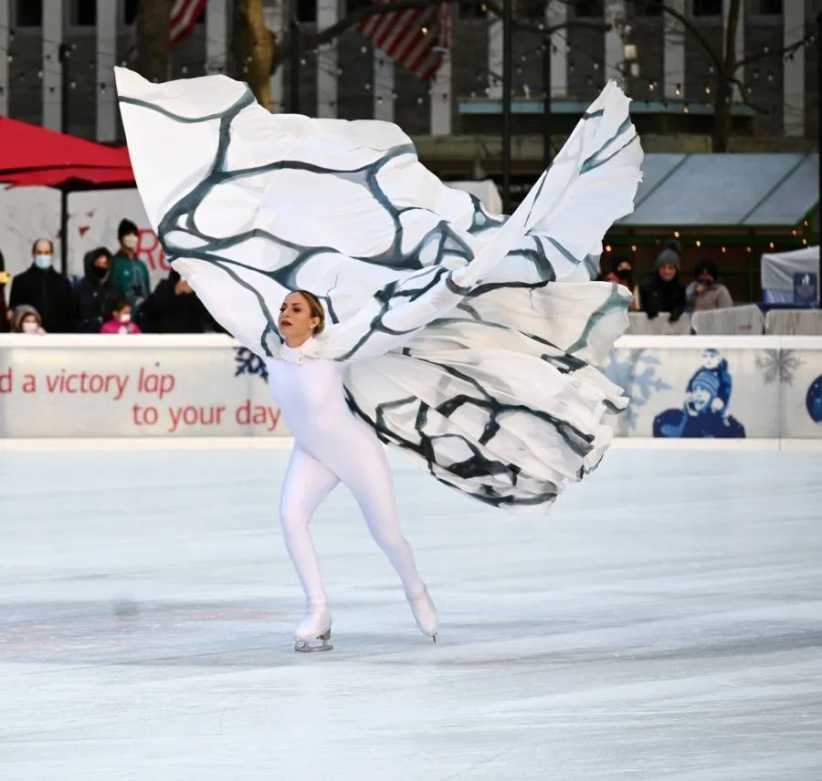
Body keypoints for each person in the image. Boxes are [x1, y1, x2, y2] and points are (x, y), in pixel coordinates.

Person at [116, 67, 643, 650]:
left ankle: (416, 592)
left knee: (387, 533)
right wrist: (187, 243)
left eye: (295, 308)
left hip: (352, 447)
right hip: (313, 452)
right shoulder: (266, 342)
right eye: (284, 307)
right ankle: (318, 611)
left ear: (316, 319)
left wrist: (458, 279)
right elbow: (222, 284)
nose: (284, 313)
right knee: (291, 518)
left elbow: (409, 311)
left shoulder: (341, 345)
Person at [8, 238, 75, 332]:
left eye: (46, 252)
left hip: (58, 338)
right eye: (39, 252)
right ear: (33, 254)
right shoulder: (20, 281)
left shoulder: (63, 282)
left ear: (52, 254)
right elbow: (15, 312)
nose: (43, 256)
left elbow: (70, 315)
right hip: (28, 338)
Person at [140, 268, 224, 333]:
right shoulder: (165, 286)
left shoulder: (201, 290)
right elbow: (148, 310)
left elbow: (211, 317)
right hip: (168, 343)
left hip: (194, 344)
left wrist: (194, 293)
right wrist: (175, 291)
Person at [110, 218, 151, 319]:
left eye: (134, 235)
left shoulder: (141, 265)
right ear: (121, 238)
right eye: (128, 234)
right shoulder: (114, 263)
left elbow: (146, 291)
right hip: (123, 318)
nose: (132, 238)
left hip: (143, 318)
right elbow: (112, 292)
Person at [640, 242, 686, 322]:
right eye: (663, 267)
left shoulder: (680, 288)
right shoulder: (647, 286)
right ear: (658, 269)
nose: (667, 271)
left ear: (676, 270)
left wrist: (678, 311)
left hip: (673, 331)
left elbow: (682, 305)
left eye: (671, 268)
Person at [74, 247, 116, 333]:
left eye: (105, 264)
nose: (102, 267)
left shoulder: (114, 289)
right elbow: (72, 319)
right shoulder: (79, 289)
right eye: (98, 263)